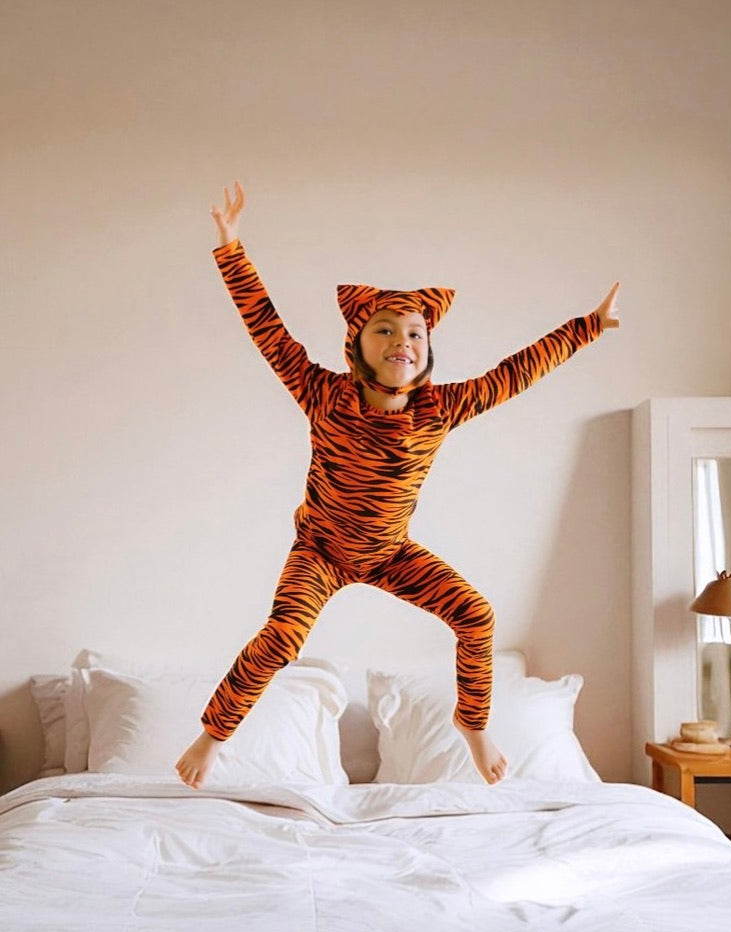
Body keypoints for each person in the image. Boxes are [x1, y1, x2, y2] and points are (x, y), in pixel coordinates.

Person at [175, 181, 620, 790]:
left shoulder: (440, 408)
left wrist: (587, 326)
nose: (401, 343)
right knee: (281, 638)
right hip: (321, 551)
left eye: (414, 333)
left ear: (427, 347)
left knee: (476, 615)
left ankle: (473, 727)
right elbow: (267, 328)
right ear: (356, 342)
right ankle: (211, 738)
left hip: (390, 553)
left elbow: (517, 371)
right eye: (384, 330)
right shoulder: (323, 394)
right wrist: (232, 249)